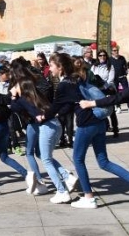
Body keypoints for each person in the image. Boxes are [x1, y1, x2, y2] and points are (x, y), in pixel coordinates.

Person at [46, 53, 129, 209]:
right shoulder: (78, 79)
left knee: (77, 159)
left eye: (51, 66)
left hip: (86, 124)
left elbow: (57, 105)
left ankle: (89, 197)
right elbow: (70, 105)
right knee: (104, 162)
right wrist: (58, 113)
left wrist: (43, 116)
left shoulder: (65, 84)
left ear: (60, 67)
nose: (49, 69)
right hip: (99, 122)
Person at [9, 74, 77, 203]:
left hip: (47, 127)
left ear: (22, 87)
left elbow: (14, 108)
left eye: (16, 85)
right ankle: (67, 177)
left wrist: (13, 96)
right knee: (46, 157)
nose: (14, 87)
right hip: (55, 125)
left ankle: (62, 191)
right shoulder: (36, 96)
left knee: (46, 160)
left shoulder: (24, 98)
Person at [110, 44, 128, 111]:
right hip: (114, 78)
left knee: (127, 91)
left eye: (117, 50)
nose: (116, 52)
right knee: (116, 92)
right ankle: (118, 107)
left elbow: (125, 66)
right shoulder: (110, 59)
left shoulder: (122, 58)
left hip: (123, 77)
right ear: (112, 51)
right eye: (114, 50)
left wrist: (126, 71)